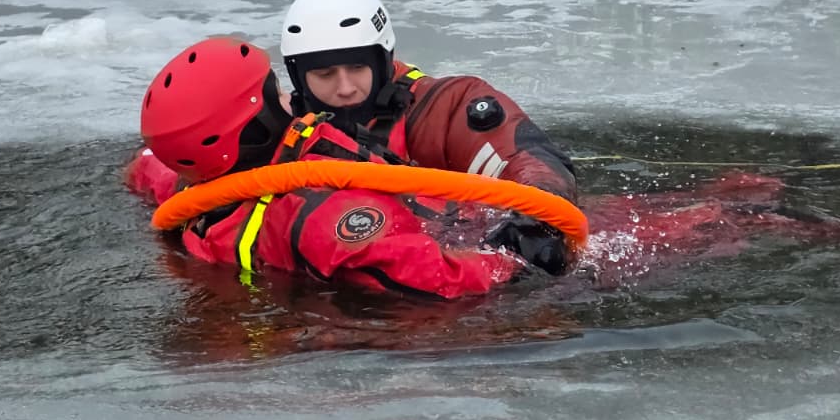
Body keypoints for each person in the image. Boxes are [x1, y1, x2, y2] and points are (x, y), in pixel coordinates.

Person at [126, 35, 536, 299]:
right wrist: (514, 257)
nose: (291, 100)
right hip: (473, 247)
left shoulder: (192, 189)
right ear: (257, 125)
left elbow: (147, 168)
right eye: (276, 94)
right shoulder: (324, 213)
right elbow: (440, 278)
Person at [277, 0, 577, 275]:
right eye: (324, 74)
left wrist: (533, 223)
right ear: (299, 77)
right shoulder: (282, 130)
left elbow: (527, 160)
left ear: (382, 60)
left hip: (462, 261)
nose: (344, 88)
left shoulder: (445, 107)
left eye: (357, 68)